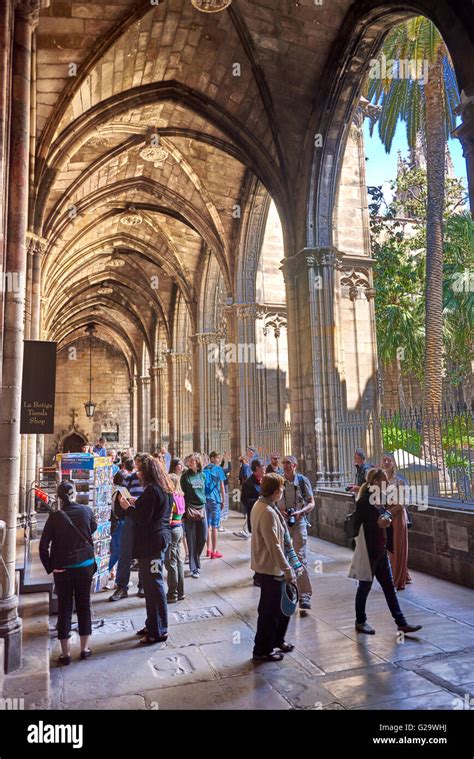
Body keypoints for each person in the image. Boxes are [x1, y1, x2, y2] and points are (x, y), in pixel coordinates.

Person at [353, 468, 422, 636]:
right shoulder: (364, 501)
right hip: (370, 552)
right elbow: (356, 526)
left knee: (389, 588)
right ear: (376, 482)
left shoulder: (379, 499)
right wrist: (379, 524)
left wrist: (385, 520)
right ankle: (360, 621)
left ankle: (401, 623)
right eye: (384, 480)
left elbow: (383, 517)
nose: (387, 484)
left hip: (381, 550)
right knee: (364, 588)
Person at [39, 481, 97, 664]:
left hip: (63, 568)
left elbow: (43, 546)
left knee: (64, 608)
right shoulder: (86, 511)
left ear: (59, 497)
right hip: (85, 564)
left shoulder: (55, 517)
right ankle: (85, 648)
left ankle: (65, 654)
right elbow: (93, 528)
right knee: (84, 605)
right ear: (75, 493)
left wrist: (50, 566)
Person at [118, 455, 173, 645]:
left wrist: (127, 507)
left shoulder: (152, 491)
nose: (138, 474)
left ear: (148, 473)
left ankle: (159, 630)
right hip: (156, 541)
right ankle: (152, 624)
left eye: (141, 471)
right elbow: (149, 510)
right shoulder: (163, 489)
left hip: (152, 544)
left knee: (154, 587)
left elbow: (143, 519)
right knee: (150, 587)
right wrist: (136, 502)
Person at [251, 473, 299, 662]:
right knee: (269, 611)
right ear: (276, 491)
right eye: (281, 489)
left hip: (271, 567)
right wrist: (288, 570)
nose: (282, 492)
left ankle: (277, 639)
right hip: (271, 568)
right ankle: (262, 649)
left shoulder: (264, 505)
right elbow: (274, 545)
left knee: (281, 608)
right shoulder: (267, 511)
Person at [278, 456, 314, 612]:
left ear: (295, 466)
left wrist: (302, 511)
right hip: (283, 522)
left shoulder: (303, 481)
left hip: (299, 522)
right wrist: (280, 511)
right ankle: (285, 593)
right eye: (284, 463)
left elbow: (312, 502)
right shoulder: (278, 480)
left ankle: (304, 595)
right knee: (282, 557)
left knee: (300, 557)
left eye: (288, 463)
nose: (285, 466)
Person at [109, 457, 144, 601]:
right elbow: (122, 496)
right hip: (129, 517)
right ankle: (121, 587)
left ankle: (143, 585)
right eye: (138, 465)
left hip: (143, 519)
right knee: (124, 554)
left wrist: (139, 502)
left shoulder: (151, 481)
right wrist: (128, 503)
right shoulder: (129, 479)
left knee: (143, 553)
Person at [381, 452, 413, 590]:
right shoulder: (381, 481)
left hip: (398, 515)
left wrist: (391, 510)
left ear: (394, 463)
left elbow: (405, 501)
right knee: (389, 547)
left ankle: (398, 579)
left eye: (389, 460)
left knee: (398, 546)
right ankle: (402, 574)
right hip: (387, 515)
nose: (386, 463)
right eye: (384, 460)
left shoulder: (400, 480)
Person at [181, 453, 207, 578]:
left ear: (197, 462)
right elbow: (182, 493)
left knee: (203, 537)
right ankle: (194, 567)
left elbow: (203, 490)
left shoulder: (202, 475)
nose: (189, 463)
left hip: (201, 508)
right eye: (189, 461)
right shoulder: (185, 477)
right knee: (191, 539)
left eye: (192, 461)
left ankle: (195, 557)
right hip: (190, 508)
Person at [165, 473, 186, 603]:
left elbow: (169, 518)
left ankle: (173, 593)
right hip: (179, 529)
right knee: (178, 561)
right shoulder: (180, 496)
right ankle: (181, 592)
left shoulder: (171, 498)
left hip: (172, 530)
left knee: (170, 562)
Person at [105, 470, 127, 589]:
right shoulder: (122, 490)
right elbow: (124, 505)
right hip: (120, 522)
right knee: (118, 551)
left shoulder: (112, 488)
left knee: (115, 550)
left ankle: (117, 577)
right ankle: (104, 572)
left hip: (113, 521)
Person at [203, 451, 226, 559]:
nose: (218, 460)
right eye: (217, 458)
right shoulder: (218, 469)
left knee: (207, 525)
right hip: (215, 498)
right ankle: (214, 551)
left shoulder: (204, 469)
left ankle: (208, 549)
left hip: (205, 498)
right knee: (215, 525)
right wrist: (223, 500)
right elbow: (221, 485)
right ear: (212, 458)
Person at [219, 452, 231, 532]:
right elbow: (229, 469)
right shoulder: (221, 470)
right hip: (224, 486)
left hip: (222, 486)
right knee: (225, 501)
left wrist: (224, 459)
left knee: (224, 501)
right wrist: (229, 460)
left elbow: (221, 465)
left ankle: (224, 515)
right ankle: (224, 515)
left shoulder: (219, 469)